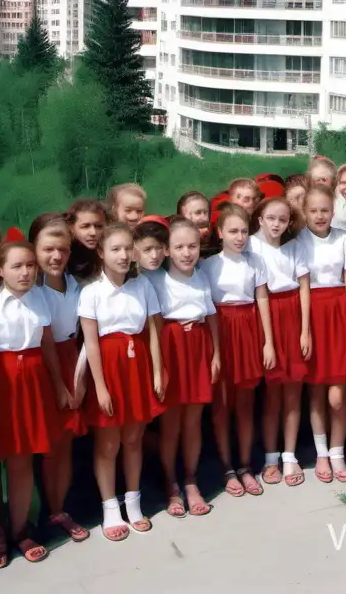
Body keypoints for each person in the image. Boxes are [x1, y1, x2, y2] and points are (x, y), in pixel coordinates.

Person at [0, 236, 68, 567]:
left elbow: (47, 346)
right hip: (1, 383)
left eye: (30, 265)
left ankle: (20, 529)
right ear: (0, 270)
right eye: (17, 266)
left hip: (32, 383)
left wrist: (58, 385)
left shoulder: (39, 298)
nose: (26, 273)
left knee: (22, 460)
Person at [80, 223, 166, 541]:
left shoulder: (142, 287)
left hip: (137, 366)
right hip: (109, 368)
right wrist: (100, 386)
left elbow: (153, 332)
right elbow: (90, 344)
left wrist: (158, 371)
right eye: (115, 249)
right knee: (108, 443)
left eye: (128, 248)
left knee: (133, 439)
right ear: (101, 253)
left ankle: (133, 500)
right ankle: (110, 507)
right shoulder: (91, 293)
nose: (123, 255)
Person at [200, 204, 275, 498]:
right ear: (220, 233)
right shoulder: (208, 266)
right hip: (219, 329)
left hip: (247, 327)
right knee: (221, 405)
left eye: (244, 231)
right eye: (233, 231)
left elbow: (262, 300)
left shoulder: (255, 262)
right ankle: (227, 467)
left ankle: (245, 466)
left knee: (245, 403)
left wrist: (267, 341)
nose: (240, 237)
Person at [293, 185, 346, 483]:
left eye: (325, 210)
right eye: (313, 211)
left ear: (333, 212)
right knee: (317, 390)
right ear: (305, 213)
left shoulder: (345, 239)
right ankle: (323, 452)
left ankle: (338, 451)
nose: (320, 216)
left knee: (337, 395)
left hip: (339, 314)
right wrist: (305, 331)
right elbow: (304, 287)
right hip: (312, 313)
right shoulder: (299, 242)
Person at [152, 218, 220, 517]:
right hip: (171, 346)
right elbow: (153, 327)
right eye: (178, 247)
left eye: (192, 246)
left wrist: (216, 353)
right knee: (171, 423)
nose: (186, 253)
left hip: (198, 346)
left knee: (193, 419)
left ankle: (191, 480)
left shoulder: (202, 277)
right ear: (166, 250)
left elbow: (211, 315)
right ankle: (170, 483)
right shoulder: (156, 281)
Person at [31, 213, 89, 544]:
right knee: (49, 445)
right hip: (47, 367)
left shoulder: (76, 286)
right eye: (48, 249)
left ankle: (60, 508)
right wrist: (60, 385)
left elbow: (83, 336)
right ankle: (47, 510)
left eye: (63, 250)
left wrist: (78, 381)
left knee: (65, 444)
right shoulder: (35, 292)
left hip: (73, 361)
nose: (56, 257)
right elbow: (45, 340)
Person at [248, 197, 309, 487]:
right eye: (271, 218)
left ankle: (290, 454)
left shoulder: (295, 247)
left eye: (282, 220)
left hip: (293, 314)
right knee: (272, 394)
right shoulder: (250, 245)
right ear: (260, 219)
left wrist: (305, 330)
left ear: (289, 223)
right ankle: (271, 457)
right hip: (266, 315)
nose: (276, 224)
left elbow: (305, 287)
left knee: (293, 393)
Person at [67, 199, 108, 282]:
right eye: (85, 226)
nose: (93, 233)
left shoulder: (110, 250)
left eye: (99, 226)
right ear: (71, 227)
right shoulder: (64, 253)